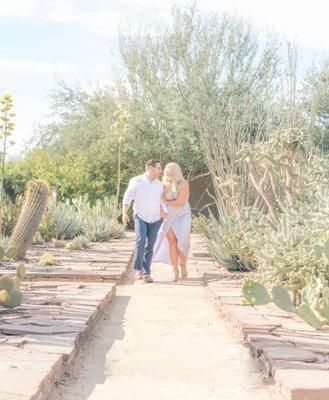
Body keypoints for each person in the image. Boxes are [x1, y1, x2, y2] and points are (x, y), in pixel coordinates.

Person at [122, 159, 166, 283]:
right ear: (150, 168)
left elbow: (162, 200)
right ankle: (138, 269)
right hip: (140, 216)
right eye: (158, 168)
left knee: (150, 245)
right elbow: (127, 198)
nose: (160, 171)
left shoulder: (159, 184)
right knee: (141, 240)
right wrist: (125, 213)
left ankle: (146, 273)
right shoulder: (136, 181)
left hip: (156, 219)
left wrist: (163, 211)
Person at [153, 162, 191, 281]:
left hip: (183, 214)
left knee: (182, 243)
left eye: (171, 173)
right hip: (169, 215)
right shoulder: (162, 185)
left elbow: (180, 201)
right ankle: (175, 270)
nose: (168, 175)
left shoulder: (184, 183)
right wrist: (161, 211)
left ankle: (183, 265)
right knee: (172, 242)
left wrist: (166, 201)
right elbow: (157, 201)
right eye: (166, 173)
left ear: (176, 173)